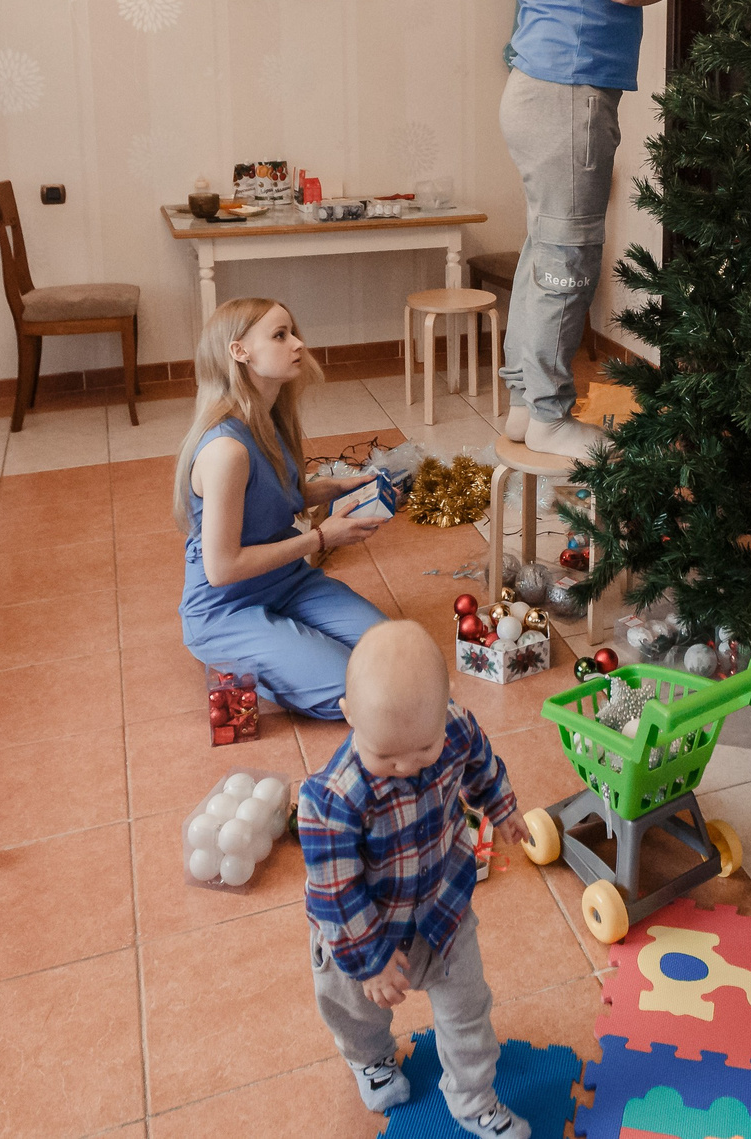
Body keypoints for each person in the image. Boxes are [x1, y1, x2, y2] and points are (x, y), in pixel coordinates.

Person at [499, 0, 742, 455]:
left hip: (553, 89)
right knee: (566, 256)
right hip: (565, 92)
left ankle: (523, 403)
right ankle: (544, 412)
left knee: (546, 249)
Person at [299, 620, 530, 1135]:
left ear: (445, 710)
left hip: (441, 909)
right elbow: (336, 895)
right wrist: (371, 963)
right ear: (349, 714)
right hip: (361, 931)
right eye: (385, 756)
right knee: (356, 1012)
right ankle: (371, 1059)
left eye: (422, 750)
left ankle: (472, 1100)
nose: (405, 765)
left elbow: (480, 763)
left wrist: (502, 807)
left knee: (469, 1009)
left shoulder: (454, 727)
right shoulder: (331, 799)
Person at [174, 296, 392, 721]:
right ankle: (242, 655)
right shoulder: (225, 450)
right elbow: (221, 568)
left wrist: (341, 487)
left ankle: (287, 647)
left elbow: (278, 492)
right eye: (280, 335)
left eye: (293, 332)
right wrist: (322, 537)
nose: (297, 344)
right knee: (358, 696)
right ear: (240, 352)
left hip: (288, 580)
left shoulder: (270, 417)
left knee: (393, 656)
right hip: (225, 605)